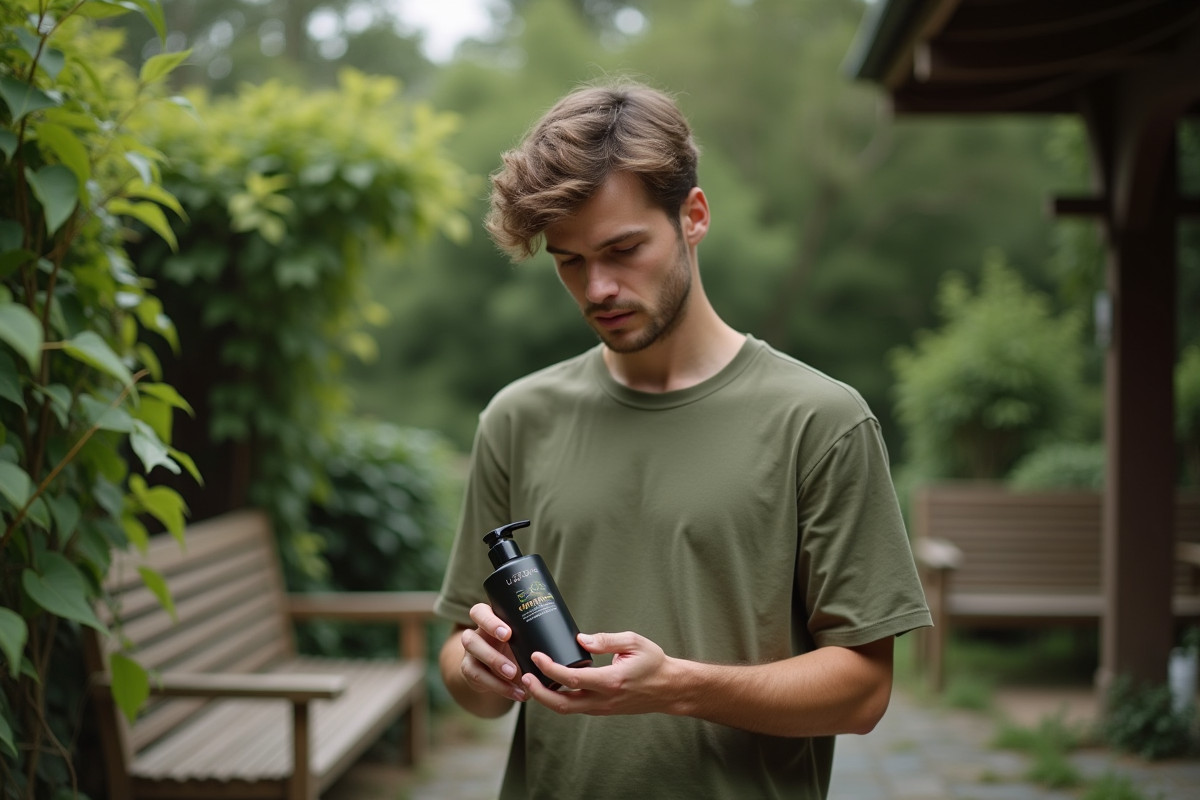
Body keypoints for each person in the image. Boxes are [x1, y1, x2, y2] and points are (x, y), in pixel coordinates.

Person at [434, 80, 931, 799]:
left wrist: (678, 686)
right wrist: (477, 669)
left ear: (692, 217)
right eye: (569, 260)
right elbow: (461, 664)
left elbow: (861, 692)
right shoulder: (517, 417)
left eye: (623, 248)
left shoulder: (821, 420)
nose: (597, 287)